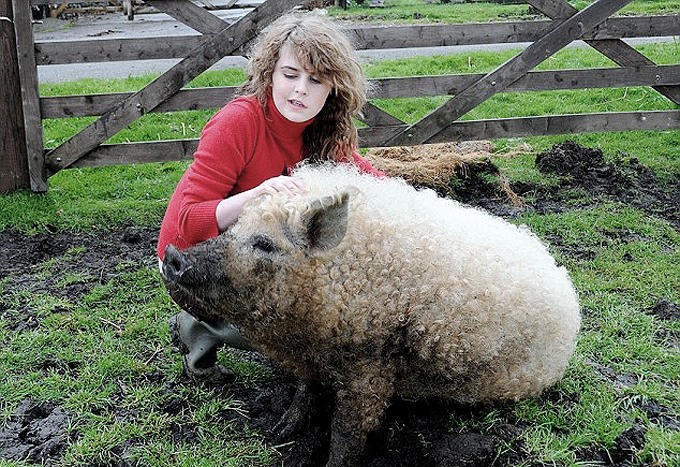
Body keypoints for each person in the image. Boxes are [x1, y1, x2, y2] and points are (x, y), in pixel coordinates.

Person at [157, 11, 384, 378]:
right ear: (270, 73)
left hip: (254, 255)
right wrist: (255, 195)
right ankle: (198, 326)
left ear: (333, 89)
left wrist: (417, 202)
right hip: (191, 261)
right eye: (290, 75)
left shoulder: (324, 131)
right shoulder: (238, 123)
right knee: (301, 328)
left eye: (316, 81)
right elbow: (188, 219)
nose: (300, 91)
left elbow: (365, 176)